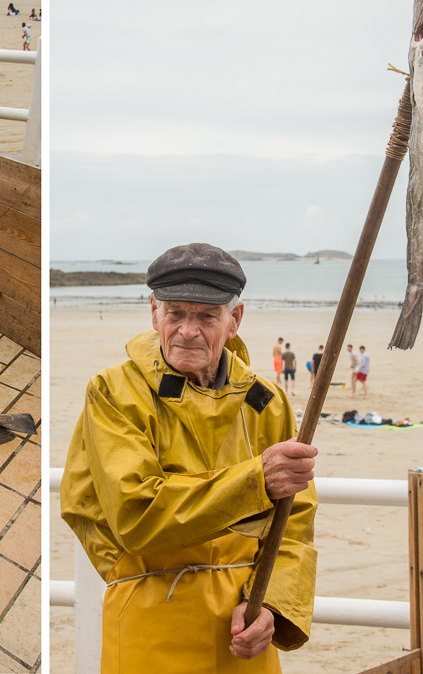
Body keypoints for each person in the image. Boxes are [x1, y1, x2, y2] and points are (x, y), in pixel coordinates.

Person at [60, 243, 317, 672]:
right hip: (148, 616)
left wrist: (269, 604)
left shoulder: (268, 402)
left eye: (206, 316)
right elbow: (137, 515)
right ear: (153, 312)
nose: (187, 330)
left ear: (234, 320)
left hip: (244, 627)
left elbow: (295, 524)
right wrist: (256, 483)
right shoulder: (112, 392)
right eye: (175, 312)